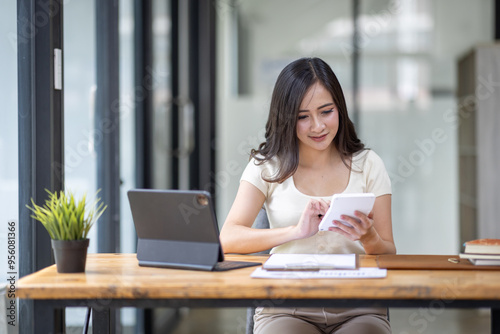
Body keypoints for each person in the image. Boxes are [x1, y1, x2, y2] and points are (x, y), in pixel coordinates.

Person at [219, 57, 396, 334]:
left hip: (359, 304)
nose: (317, 126)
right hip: (285, 305)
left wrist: (369, 237)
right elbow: (228, 238)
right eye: (303, 117)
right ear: (286, 118)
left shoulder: (369, 164)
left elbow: (389, 253)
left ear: (339, 107)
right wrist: (295, 231)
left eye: (326, 111)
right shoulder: (267, 165)